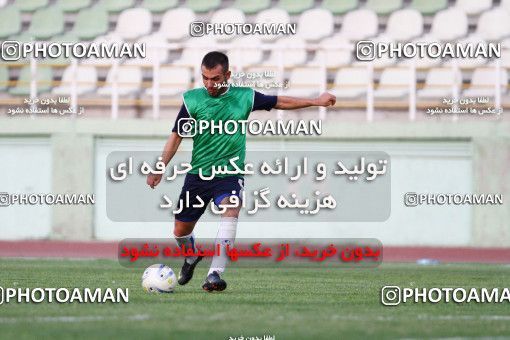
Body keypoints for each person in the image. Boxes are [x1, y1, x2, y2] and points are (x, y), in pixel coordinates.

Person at [147, 51, 336, 292]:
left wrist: (316, 101)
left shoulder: (244, 96)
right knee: (180, 230)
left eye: (215, 78)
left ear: (227, 75)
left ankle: (215, 274)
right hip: (198, 175)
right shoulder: (192, 100)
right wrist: (159, 168)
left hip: (230, 173)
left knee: (231, 209)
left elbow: (280, 101)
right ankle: (192, 257)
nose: (209, 84)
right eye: (205, 78)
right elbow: (176, 136)